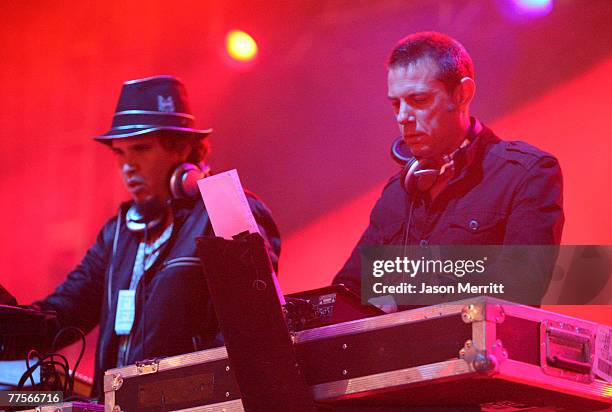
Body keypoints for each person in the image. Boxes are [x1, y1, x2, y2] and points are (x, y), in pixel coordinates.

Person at [32, 75, 281, 397]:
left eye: (141, 148)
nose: (127, 165)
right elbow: (60, 315)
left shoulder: (226, 209)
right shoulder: (118, 233)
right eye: (119, 153)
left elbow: (253, 328)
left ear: (183, 150)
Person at [333, 32, 563, 307]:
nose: (403, 117)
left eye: (418, 100)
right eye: (395, 103)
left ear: (461, 94)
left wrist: (406, 295)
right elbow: (348, 287)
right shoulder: (398, 192)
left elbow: (522, 283)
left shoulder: (526, 173)